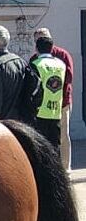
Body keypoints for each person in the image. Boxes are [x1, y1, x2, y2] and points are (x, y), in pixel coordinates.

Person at [31, 27, 74, 170]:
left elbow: (68, 78)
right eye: (38, 38)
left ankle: (65, 169)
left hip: (62, 102)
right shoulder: (34, 59)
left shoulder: (62, 55)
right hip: (42, 108)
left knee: (63, 137)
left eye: (43, 37)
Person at [30, 36, 67, 149]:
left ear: (36, 48)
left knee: (41, 148)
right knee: (55, 147)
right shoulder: (61, 64)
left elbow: (32, 88)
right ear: (52, 48)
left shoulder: (36, 64)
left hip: (40, 111)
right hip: (55, 111)